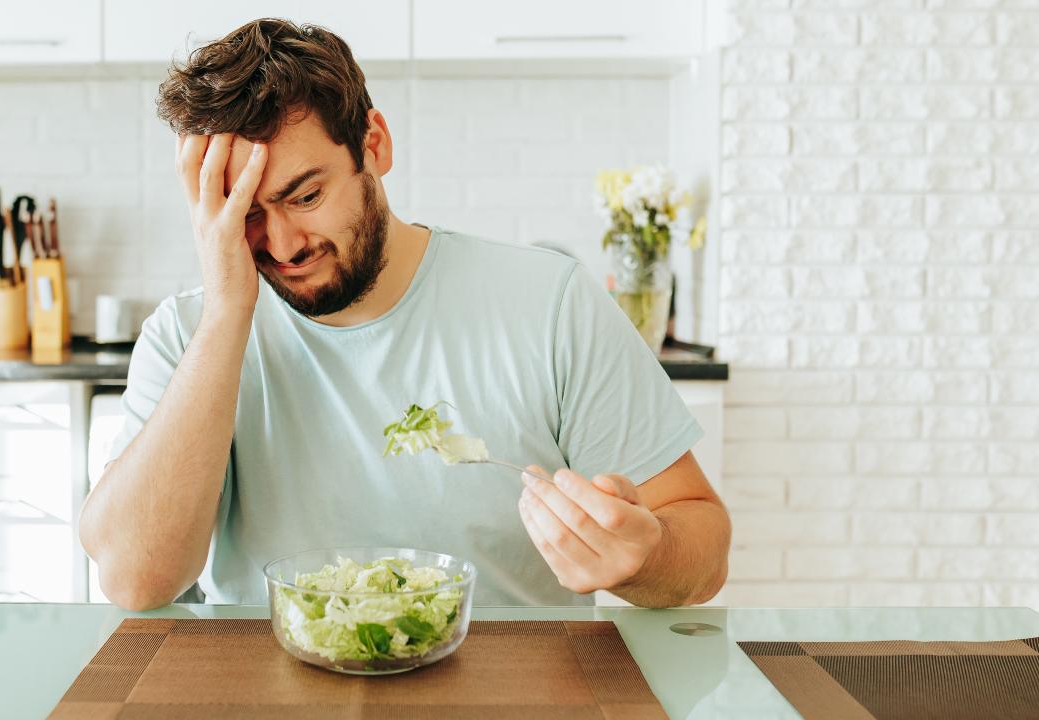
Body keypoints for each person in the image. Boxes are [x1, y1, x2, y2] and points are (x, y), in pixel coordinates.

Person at [79, 18, 731, 611]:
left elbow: (702, 548)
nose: (281, 245)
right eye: (246, 213)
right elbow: (135, 580)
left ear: (375, 144)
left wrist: (641, 558)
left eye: (305, 195)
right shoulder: (187, 334)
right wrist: (227, 313)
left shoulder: (549, 303)